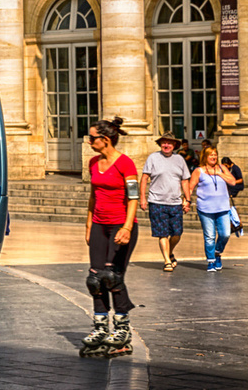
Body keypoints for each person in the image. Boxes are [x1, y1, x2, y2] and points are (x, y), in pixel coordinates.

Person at [80, 117, 139, 357]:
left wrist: (126, 227)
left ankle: (122, 329)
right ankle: (101, 327)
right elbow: (93, 195)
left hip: (120, 225)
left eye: (92, 138)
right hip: (99, 226)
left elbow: (133, 198)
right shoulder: (93, 162)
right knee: (95, 278)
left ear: (105, 140)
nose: (89, 141)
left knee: (112, 277)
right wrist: (88, 224)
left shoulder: (126, 164)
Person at [140, 130, 190, 271]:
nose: (166, 145)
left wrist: (187, 199)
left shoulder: (179, 160)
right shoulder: (153, 158)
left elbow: (185, 180)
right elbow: (144, 178)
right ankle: (167, 260)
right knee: (162, 233)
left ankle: (169, 251)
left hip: (175, 202)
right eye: (164, 143)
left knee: (176, 233)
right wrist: (143, 198)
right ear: (160, 144)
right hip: (157, 201)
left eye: (169, 143)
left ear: (174, 145)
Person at [187, 146, 242, 271]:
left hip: (222, 208)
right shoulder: (199, 171)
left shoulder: (222, 168)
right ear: (205, 157)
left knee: (225, 234)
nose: (213, 157)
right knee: (210, 236)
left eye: (215, 154)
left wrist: (219, 173)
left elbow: (233, 182)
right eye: (210, 155)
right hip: (205, 208)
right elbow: (190, 187)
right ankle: (211, 260)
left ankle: (217, 252)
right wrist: (187, 201)